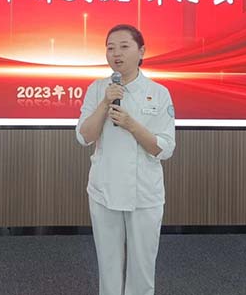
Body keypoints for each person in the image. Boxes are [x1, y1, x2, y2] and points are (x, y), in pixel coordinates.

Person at [76, 24, 176, 295]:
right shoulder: (98, 89)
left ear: (141, 51)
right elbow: (84, 136)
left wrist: (132, 125)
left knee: (142, 267)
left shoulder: (159, 92)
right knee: (108, 264)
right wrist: (104, 103)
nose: (116, 53)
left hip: (144, 193)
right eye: (110, 48)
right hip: (104, 189)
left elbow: (164, 149)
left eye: (124, 46)